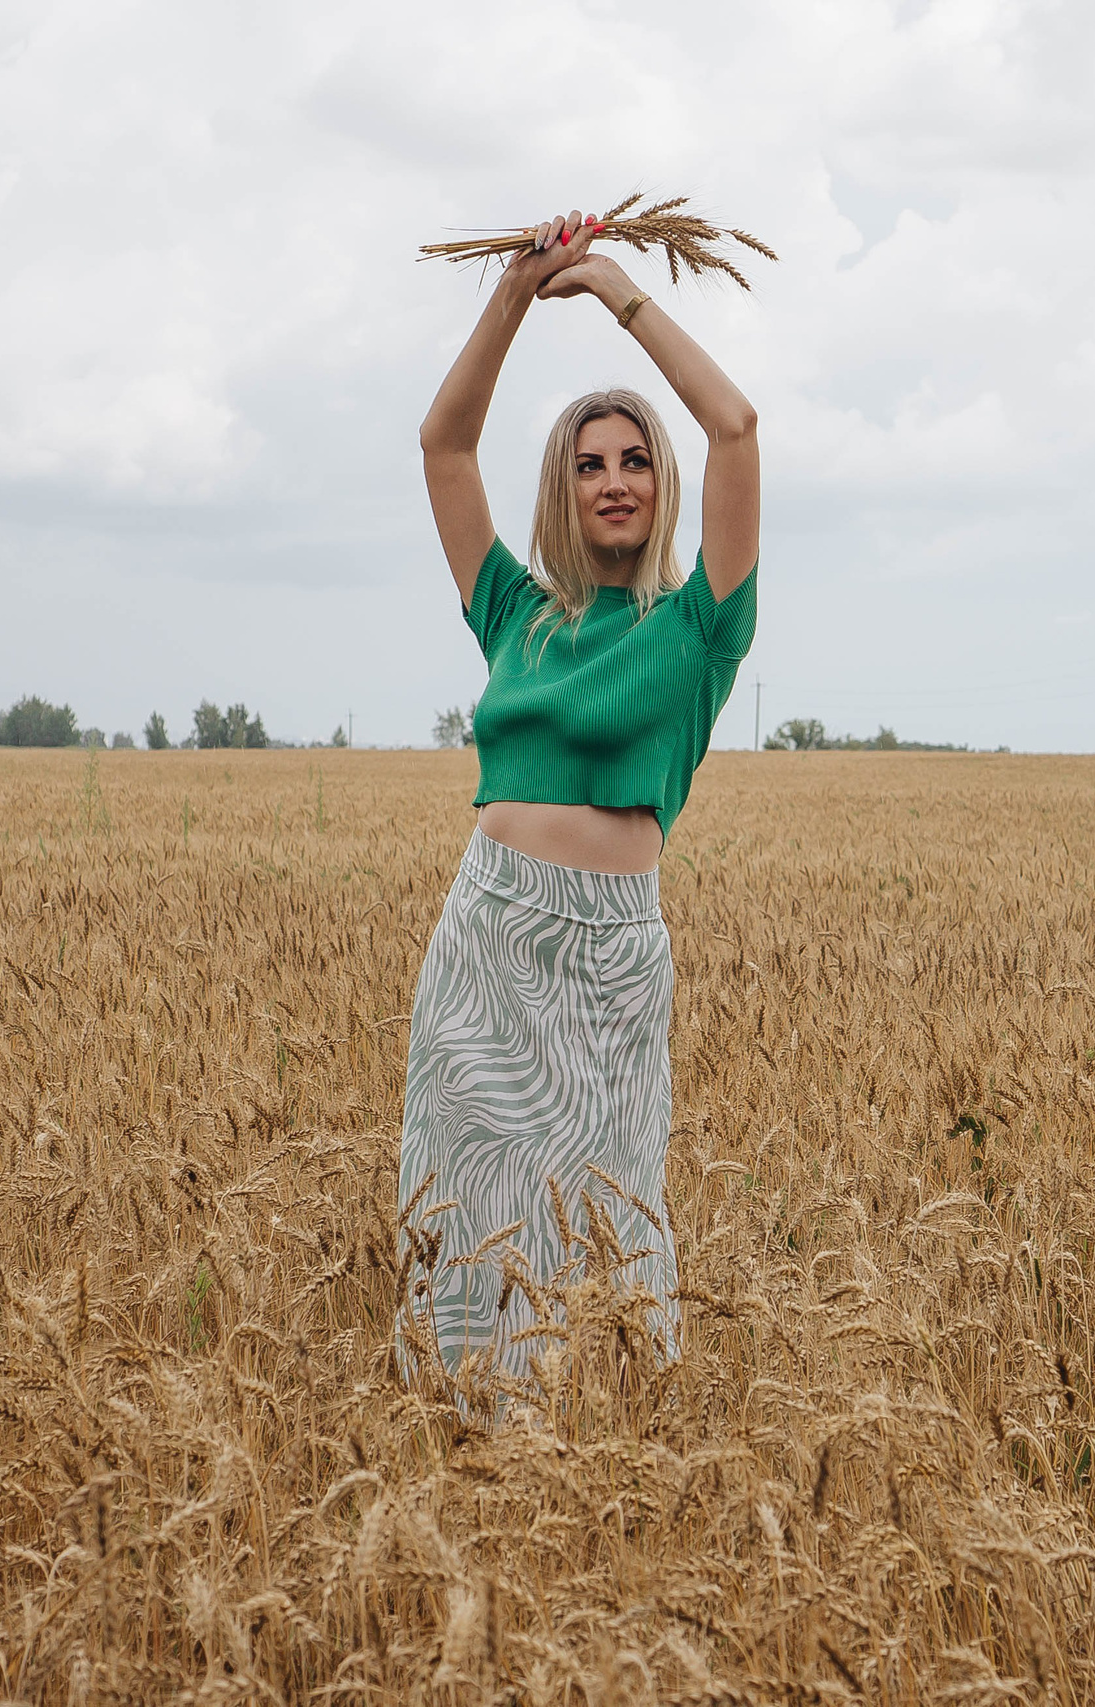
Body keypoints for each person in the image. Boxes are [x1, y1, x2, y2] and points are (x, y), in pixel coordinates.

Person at [398, 208, 759, 1387]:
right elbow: (444, 448)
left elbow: (738, 426)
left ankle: (604, 1465)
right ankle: (455, 1442)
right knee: (470, 1220)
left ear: (663, 481)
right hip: (486, 938)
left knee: (605, 1217)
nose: (615, 481)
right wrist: (514, 294)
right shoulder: (515, 611)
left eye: (636, 458)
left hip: (610, 962)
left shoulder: (699, 628)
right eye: (589, 463)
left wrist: (615, 292)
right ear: (565, 486)